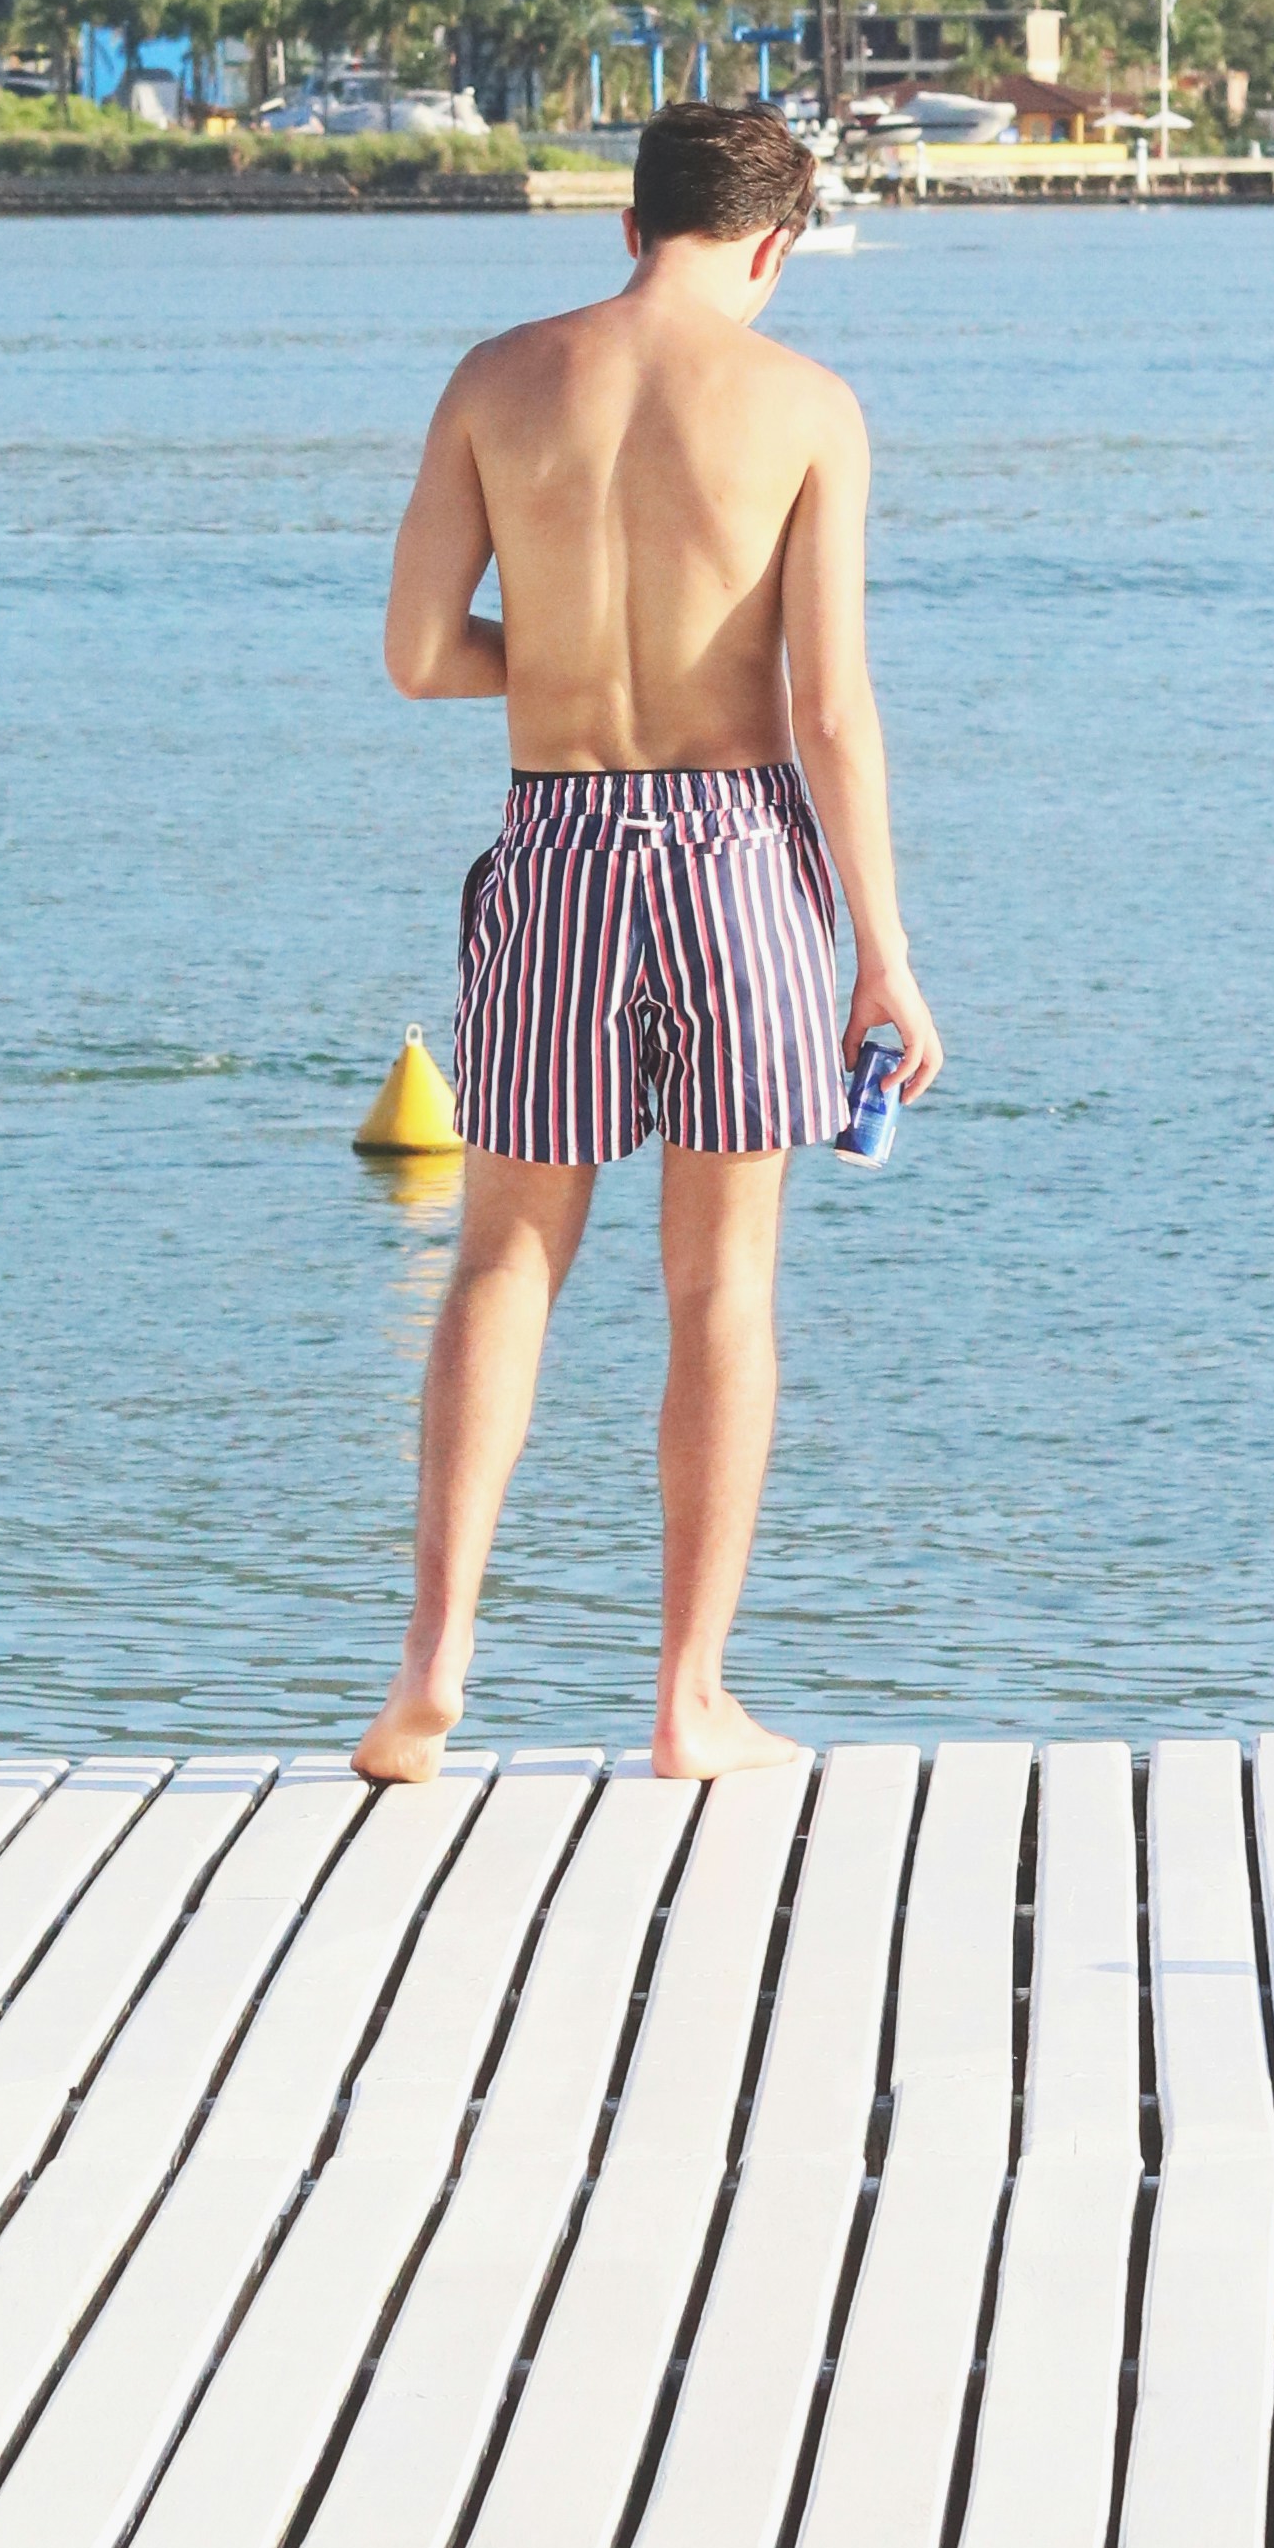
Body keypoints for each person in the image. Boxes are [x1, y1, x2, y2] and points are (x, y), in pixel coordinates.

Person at [356, 101, 940, 1786]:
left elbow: (412, 656)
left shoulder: (496, 376)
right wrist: (883, 951)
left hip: (552, 841)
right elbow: (827, 704)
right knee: (720, 1279)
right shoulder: (805, 403)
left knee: (500, 1260)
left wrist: (553, 666)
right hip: (738, 848)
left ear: (628, 225)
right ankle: (690, 1696)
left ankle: (431, 1665)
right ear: (776, 242)